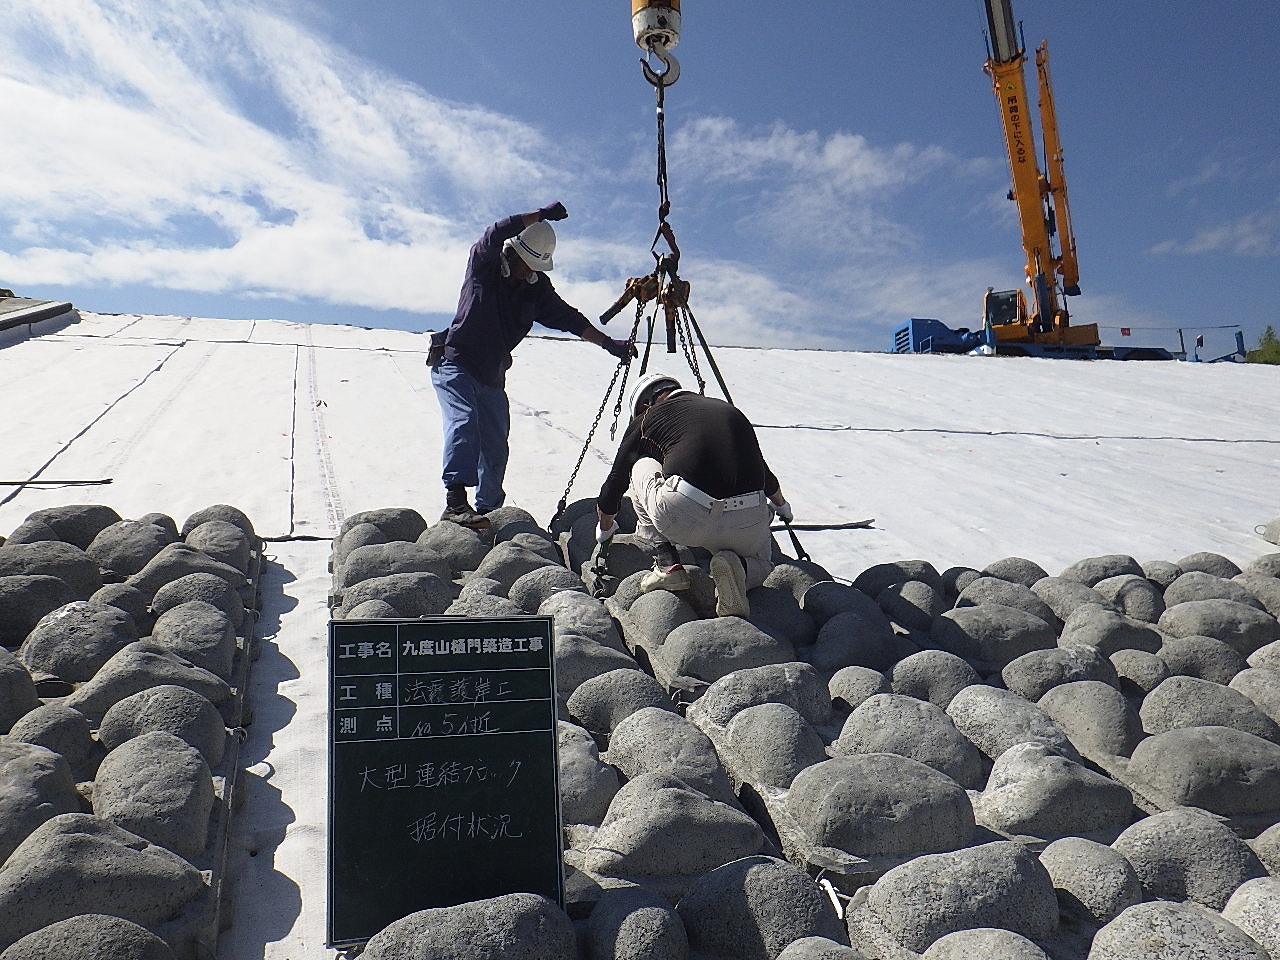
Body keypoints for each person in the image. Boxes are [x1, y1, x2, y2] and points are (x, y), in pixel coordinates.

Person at [429, 202, 634, 528]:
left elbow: (570, 318)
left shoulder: (535, 290)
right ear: (513, 255)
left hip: (492, 375)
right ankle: (455, 502)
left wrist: (609, 343)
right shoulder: (485, 266)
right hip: (456, 364)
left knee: (496, 447)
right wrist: (537, 214)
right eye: (529, 265)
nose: (532, 274)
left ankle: (488, 513)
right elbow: (494, 232)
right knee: (464, 422)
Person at [594, 372, 792, 618]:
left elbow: (615, 482)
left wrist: (604, 532)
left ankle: (667, 564)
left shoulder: (646, 419)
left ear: (645, 406)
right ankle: (738, 567)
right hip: (748, 519)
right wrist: (783, 508)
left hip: (685, 514)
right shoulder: (730, 411)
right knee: (764, 563)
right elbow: (767, 477)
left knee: (640, 463)